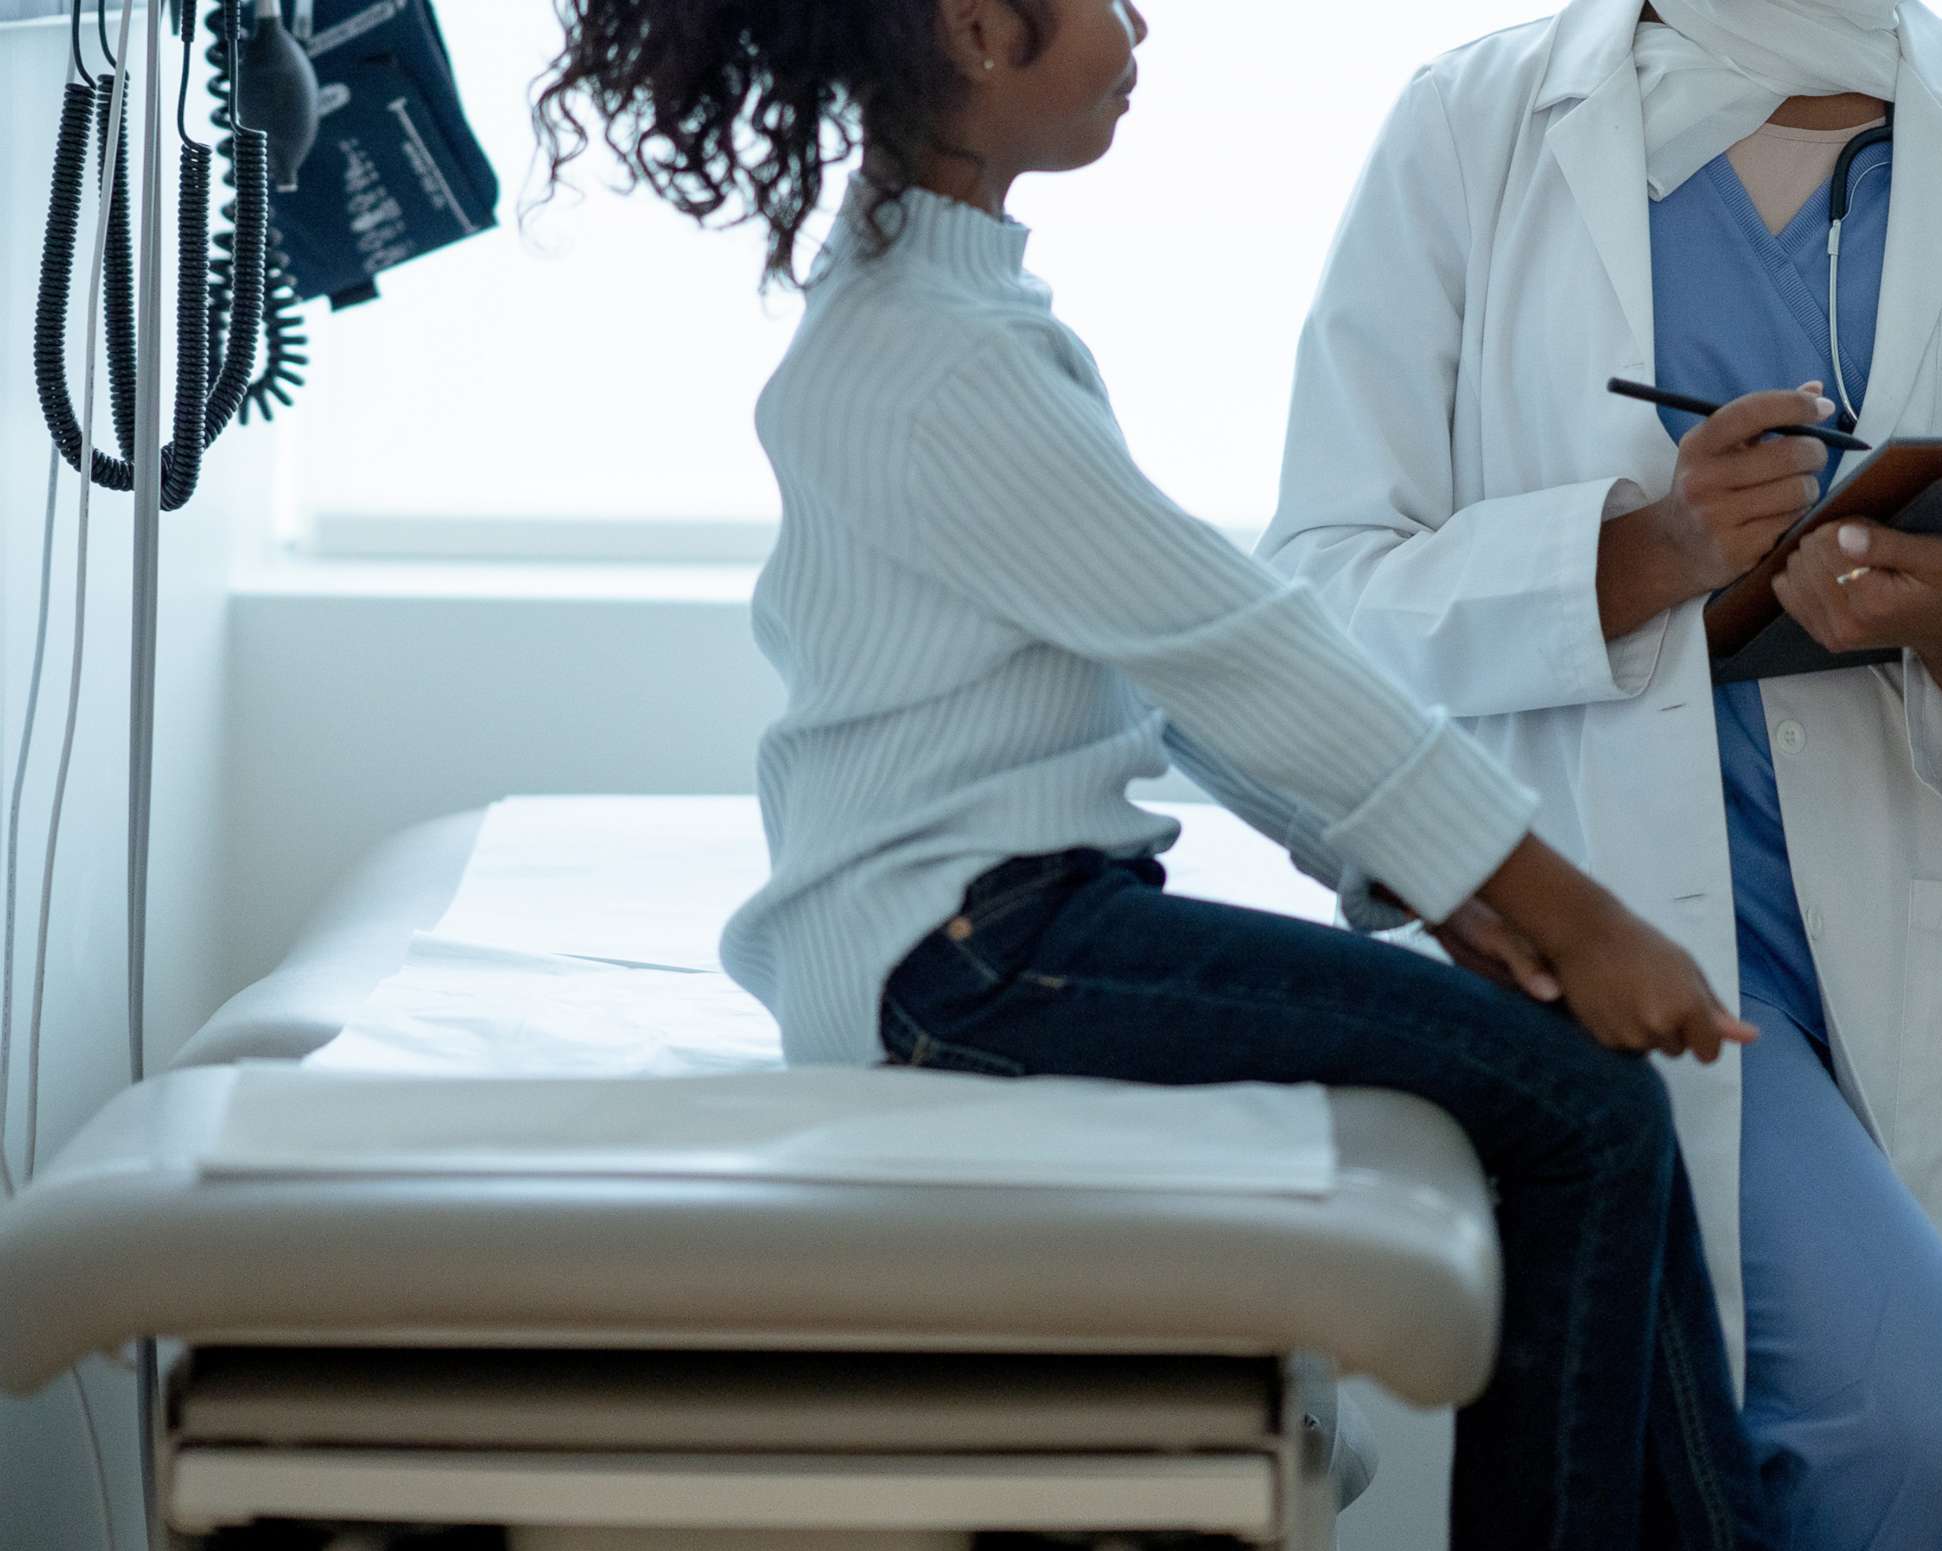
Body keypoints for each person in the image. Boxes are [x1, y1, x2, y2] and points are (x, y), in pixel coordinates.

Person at [535, 3, 1784, 1547]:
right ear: (983, 29)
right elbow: (1232, 645)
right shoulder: (941, 361)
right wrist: (1563, 909)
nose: (1142, 26)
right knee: (1584, 1110)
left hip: (985, 938)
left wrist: (1435, 890)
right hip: (967, 960)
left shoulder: (929, 310)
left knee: (1582, 1098)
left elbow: (1164, 656)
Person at [1263, 1, 1942, 1546]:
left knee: (1756, 1467)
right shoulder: (1477, 125)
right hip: (1598, 927)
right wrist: (1650, 554)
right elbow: (1321, 600)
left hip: (1879, 937)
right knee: (1910, 1419)